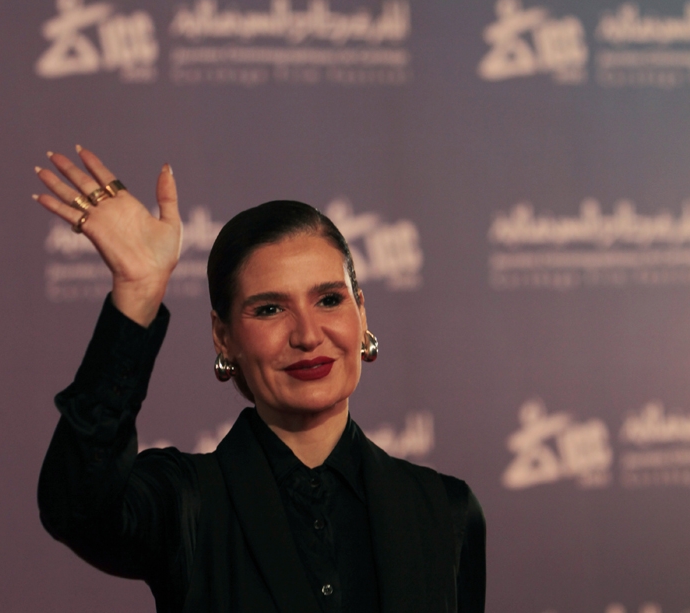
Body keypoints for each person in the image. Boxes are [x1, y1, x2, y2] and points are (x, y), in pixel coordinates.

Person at [35, 147, 486, 613]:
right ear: (223, 336)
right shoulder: (184, 502)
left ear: (361, 312)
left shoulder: (445, 510)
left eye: (329, 300)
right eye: (270, 309)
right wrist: (138, 293)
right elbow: (77, 509)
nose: (308, 335)